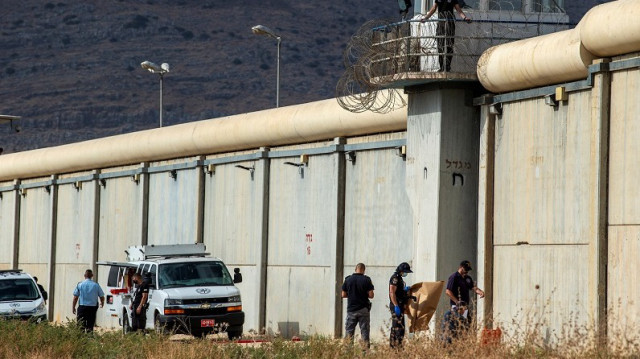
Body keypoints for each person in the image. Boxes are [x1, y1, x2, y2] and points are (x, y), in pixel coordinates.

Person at [421, 0, 472, 72]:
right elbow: (433, 8)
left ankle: (447, 66)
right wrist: (425, 18)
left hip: (450, 24)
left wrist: (465, 18)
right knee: (440, 45)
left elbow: (458, 10)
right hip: (441, 23)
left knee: (449, 45)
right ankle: (442, 66)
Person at [341, 263, 375, 347]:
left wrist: (352, 295)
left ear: (355, 269)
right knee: (365, 331)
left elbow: (343, 295)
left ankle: (348, 352)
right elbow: (371, 295)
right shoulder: (367, 280)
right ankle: (365, 352)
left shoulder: (348, 279)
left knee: (349, 331)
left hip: (351, 310)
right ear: (364, 270)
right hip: (363, 309)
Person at [445, 260, 484, 326]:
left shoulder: (467, 278)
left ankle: (464, 335)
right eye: (465, 269)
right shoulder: (454, 277)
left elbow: (473, 287)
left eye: (468, 270)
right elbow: (448, 291)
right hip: (457, 307)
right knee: (458, 324)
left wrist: (480, 292)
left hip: (465, 306)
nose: (466, 271)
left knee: (467, 324)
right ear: (461, 267)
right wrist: (457, 302)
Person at [72, 269, 105, 333]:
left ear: (84, 275)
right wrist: (102, 303)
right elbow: (102, 296)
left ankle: (81, 340)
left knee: (80, 325)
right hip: (92, 308)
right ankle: (89, 339)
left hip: (82, 307)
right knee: (90, 325)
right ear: (92, 275)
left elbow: (75, 297)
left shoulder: (80, 284)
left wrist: (73, 307)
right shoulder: (96, 285)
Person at [388, 262, 413, 348]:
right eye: (405, 272)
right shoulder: (395, 278)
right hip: (396, 305)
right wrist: (396, 305)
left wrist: (404, 290)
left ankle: (397, 346)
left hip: (400, 305)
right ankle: (395, 347)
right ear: (401, 270)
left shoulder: (400, 278)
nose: (406, 273)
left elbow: (399, 291)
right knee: (397, 327)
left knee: (400, 327)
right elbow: (392, 292)